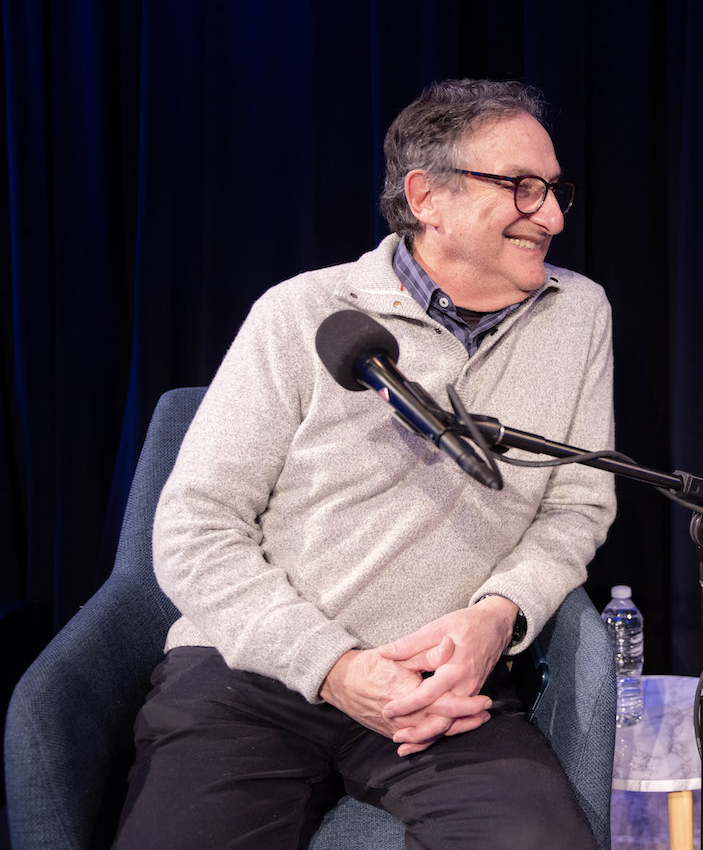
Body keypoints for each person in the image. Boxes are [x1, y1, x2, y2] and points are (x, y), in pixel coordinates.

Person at [113, 79, 615, 849]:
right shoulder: (302, 313)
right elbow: (193, 527)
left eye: (553, 191)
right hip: (253, 678)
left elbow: (577, 504)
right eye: (521, 188)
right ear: (428, 197)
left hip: (443, 687)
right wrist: (335, 667)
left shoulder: (578, 313)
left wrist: (498, 615)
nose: (548, 215)